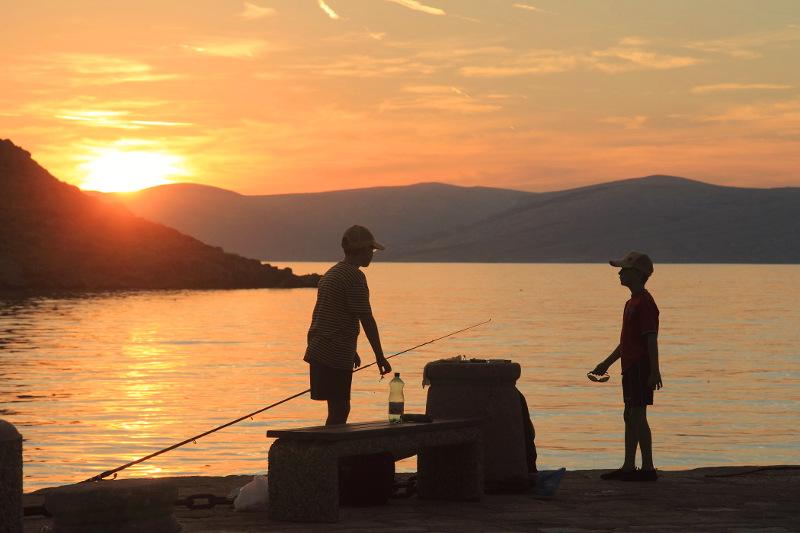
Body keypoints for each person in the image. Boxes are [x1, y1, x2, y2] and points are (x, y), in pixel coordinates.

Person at [304, 225, 392, 425]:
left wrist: (350, 350)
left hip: (320, 348)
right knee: (340, 409)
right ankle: (330, 453)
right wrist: (380, 356)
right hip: (334, 351)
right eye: (372, 250)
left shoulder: (332, 273)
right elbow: (367, 319)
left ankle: (330, 451)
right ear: (362, 250)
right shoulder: (355, 277)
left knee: (336, 407)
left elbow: (327, 315)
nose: (372, 254)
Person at [590, 251, 662, 482]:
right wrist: (606, 363)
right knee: (629, 415)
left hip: (641, 365)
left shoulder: (645, 303)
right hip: (630, 366)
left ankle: (648, 468)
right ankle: (629, 466)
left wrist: (654, 371)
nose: (620, 273)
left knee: (638, 415)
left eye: (625, 270)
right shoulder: (630, 303)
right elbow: (625, 342)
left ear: (638, 274)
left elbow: (651, 338)